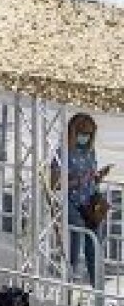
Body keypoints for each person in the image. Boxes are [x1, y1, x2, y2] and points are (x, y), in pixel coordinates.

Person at [57, 113, 108, 284]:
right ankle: (68, 286)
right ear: (74, 132)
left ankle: (97, 287)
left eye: (89, 134)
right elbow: (55, 183)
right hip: (72, 203)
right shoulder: (63, 152)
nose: (85, 137)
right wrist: (80, 180)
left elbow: (91, 177)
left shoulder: (90, 152)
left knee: (94, 246)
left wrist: (97, 177)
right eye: (83, 133)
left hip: (90, 202)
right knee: (74, 244)